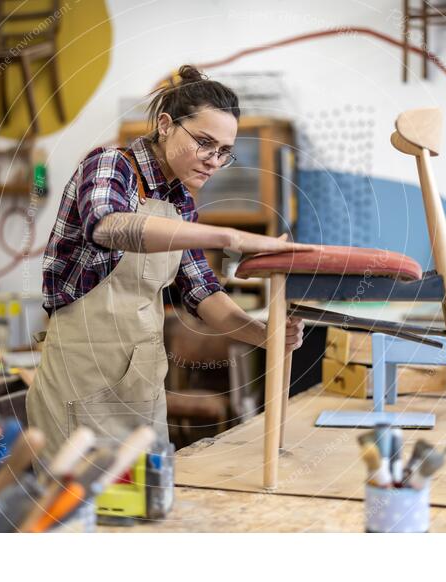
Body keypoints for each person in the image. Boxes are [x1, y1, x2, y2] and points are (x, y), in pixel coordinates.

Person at [27, 65, 314, 463]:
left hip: (142, 390)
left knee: (149, 508)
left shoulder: (180, 202)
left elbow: (203, 294)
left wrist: (266, 335)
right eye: (204, 143)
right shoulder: (112, 166)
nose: (214, 160)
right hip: (80, 387)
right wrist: (228, 237)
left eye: (223, 152)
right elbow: (108, 226)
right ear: (165, 125)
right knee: (80, 515)